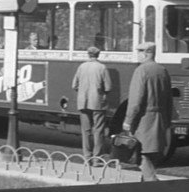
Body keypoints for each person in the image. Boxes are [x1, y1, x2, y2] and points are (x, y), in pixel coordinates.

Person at [122, 42, 172, 181]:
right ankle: (144, 191)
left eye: (139, 51)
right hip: (160, 119)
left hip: (144, 120)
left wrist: (128, 120)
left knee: (141, 156)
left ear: (146, 53)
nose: (137, 54)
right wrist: (168, 121)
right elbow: (169, 99)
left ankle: (154, 188)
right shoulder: (162, 70)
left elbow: (135, 101)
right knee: (152, 156)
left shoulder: (141, 70)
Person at [72, 46, 112, 164]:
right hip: (98, 102)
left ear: (88, 55)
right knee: (98, 130)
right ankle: (96, 159)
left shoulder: (82, 67)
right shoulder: (102, 67)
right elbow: (108, 87)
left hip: (83, 102)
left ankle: (87, 157)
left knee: (86, 130)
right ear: (98, 55)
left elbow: (74, 85)